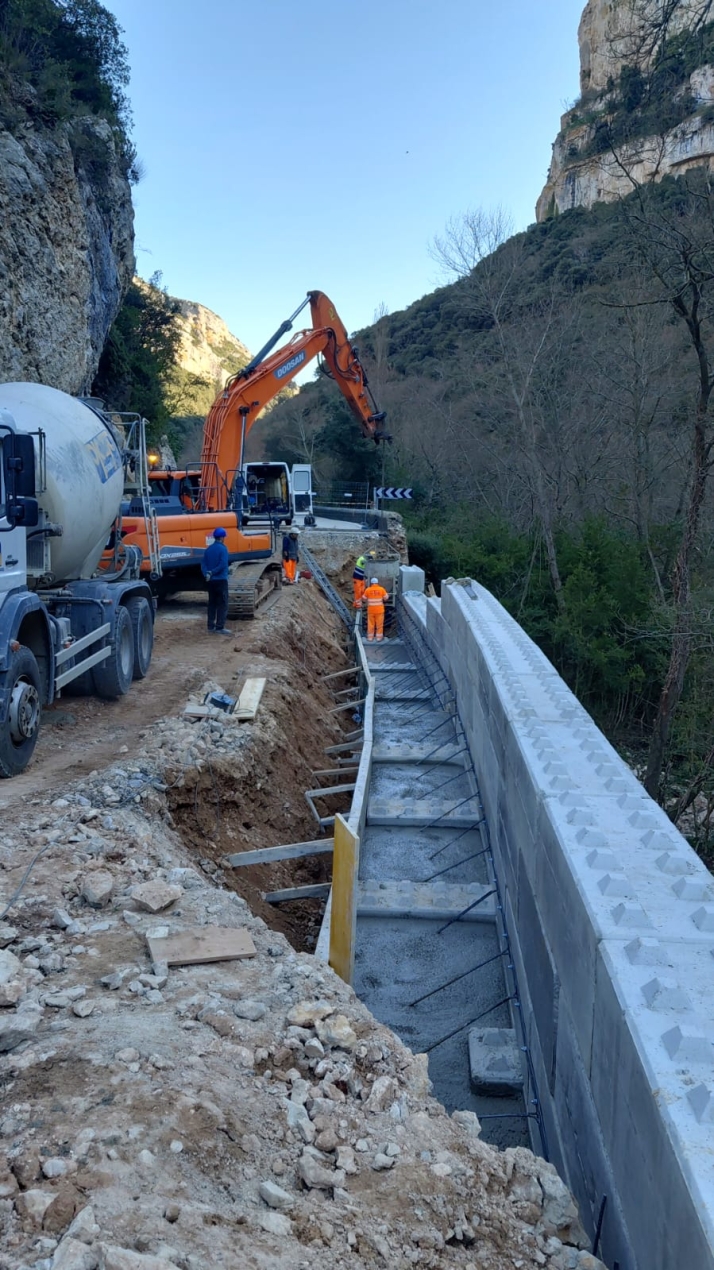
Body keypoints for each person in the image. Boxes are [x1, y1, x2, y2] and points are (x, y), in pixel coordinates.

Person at [202, 526, 232, 635]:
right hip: (221, 580)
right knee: (222, 604)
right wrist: (213, 572)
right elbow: (223, 564)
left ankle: (210, 626)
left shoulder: (209, 549)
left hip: (211, 581)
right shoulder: (223, 549)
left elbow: (203, 564)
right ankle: (220, 627)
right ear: (222, 537)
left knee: (212, 603)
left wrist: (207, 573)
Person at [363, 576, 389, 642]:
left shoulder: (368, 590)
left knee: (370, 624)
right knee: (379, 624)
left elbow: (363, 598)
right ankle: (379, 638)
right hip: (379, 610)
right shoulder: (381, 589)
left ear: (371, 583)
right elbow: (386, 598)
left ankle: (370, 638)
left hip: (371, 610)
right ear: (377, 583)